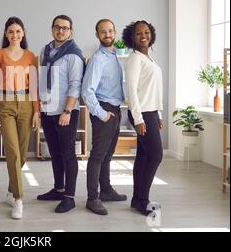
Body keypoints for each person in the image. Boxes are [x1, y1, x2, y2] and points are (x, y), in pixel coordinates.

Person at [0, 17, 40, 220]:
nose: (14, 35)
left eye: (18, 31)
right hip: (5, 105)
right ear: (5, 33)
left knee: (22, 154)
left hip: (27, 104)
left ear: (23, 32)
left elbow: (35, 86)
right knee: (12, 153)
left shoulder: (30, 56)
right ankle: (19, 199)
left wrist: (37, 111)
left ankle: (11, 190)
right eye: (10, 31)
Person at [37, 15, 85, 213]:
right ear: (52, 29)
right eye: (57, 27)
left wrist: (66, 111)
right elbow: (42, 78)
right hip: (48, 110)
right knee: (55, 153)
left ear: (70, 31)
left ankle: (69, 197)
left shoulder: (73, 54)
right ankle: (59, 188)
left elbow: (76, 85)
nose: (61, 31)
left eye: (65, 28)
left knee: (68, 155)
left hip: (65, 111)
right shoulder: (45, 51)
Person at [81, 19, 127, 216]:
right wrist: (101, 114)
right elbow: (86, 91)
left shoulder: (115, 54)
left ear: (114, 32)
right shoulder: (97, 59)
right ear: (97, 35)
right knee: (98, 156)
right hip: (104, 109)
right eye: (103, 32)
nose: (107, 34)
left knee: (108, 155)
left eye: (110, 31)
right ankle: (93, 198)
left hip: (116, 108)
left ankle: (106, 190)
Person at [122, 20, 163, 216]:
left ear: (151, 34)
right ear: (132, 37)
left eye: (146, 32)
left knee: (144, 156)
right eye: (138, 33)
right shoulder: (134, 59)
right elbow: (131, 91)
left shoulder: (149, 60)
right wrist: (138, 119)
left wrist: (159, 113)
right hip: (142, 113)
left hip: (151, 112)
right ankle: (143, 200)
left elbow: (152, 90)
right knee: (156, 155)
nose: (143, 36)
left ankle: (137, 199)